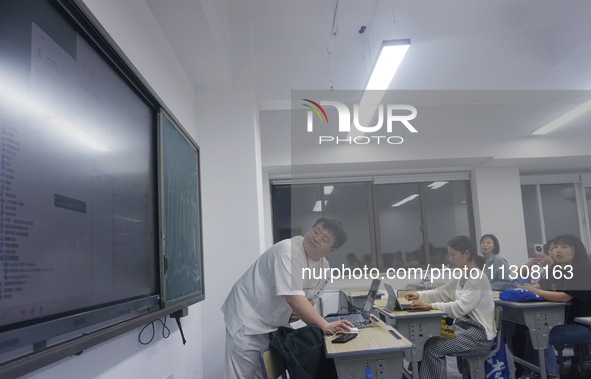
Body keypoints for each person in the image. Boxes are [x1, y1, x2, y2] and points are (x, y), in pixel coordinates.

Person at [221, 218, 352, 379]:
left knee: (263, 374)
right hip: (247, 320)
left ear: (331, 249)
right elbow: (294, 299)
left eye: (324, 238)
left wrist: (304, 308)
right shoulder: (288, 251)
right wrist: (324, 325)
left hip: (271, 325)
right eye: (316, 231)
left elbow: (311, 298)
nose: (316, 238)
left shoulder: (324, 267)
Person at [404, 235, 496, 379]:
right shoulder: (462, 277)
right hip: (462, 328)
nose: (450, 259)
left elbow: (460, 307)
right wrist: (418, 295)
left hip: (478, 335)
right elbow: (442, 293)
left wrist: (429, 306)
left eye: (453, 255)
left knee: (433, 349)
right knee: (427, 340)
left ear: (466, 254)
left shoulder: (477, 278)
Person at [518, 234, 591, 379]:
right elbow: (539, 285)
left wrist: (535, 291)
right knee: (530, 332)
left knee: (542, 335)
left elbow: (565, 296)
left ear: (576, 250)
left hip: (584, 326)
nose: (558, 250)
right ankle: (531, 372)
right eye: (556, 247)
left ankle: (552, 375)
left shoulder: (583, 270)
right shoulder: (556, 269)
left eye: (564, 247)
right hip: (563, 322)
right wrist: (525, 288)